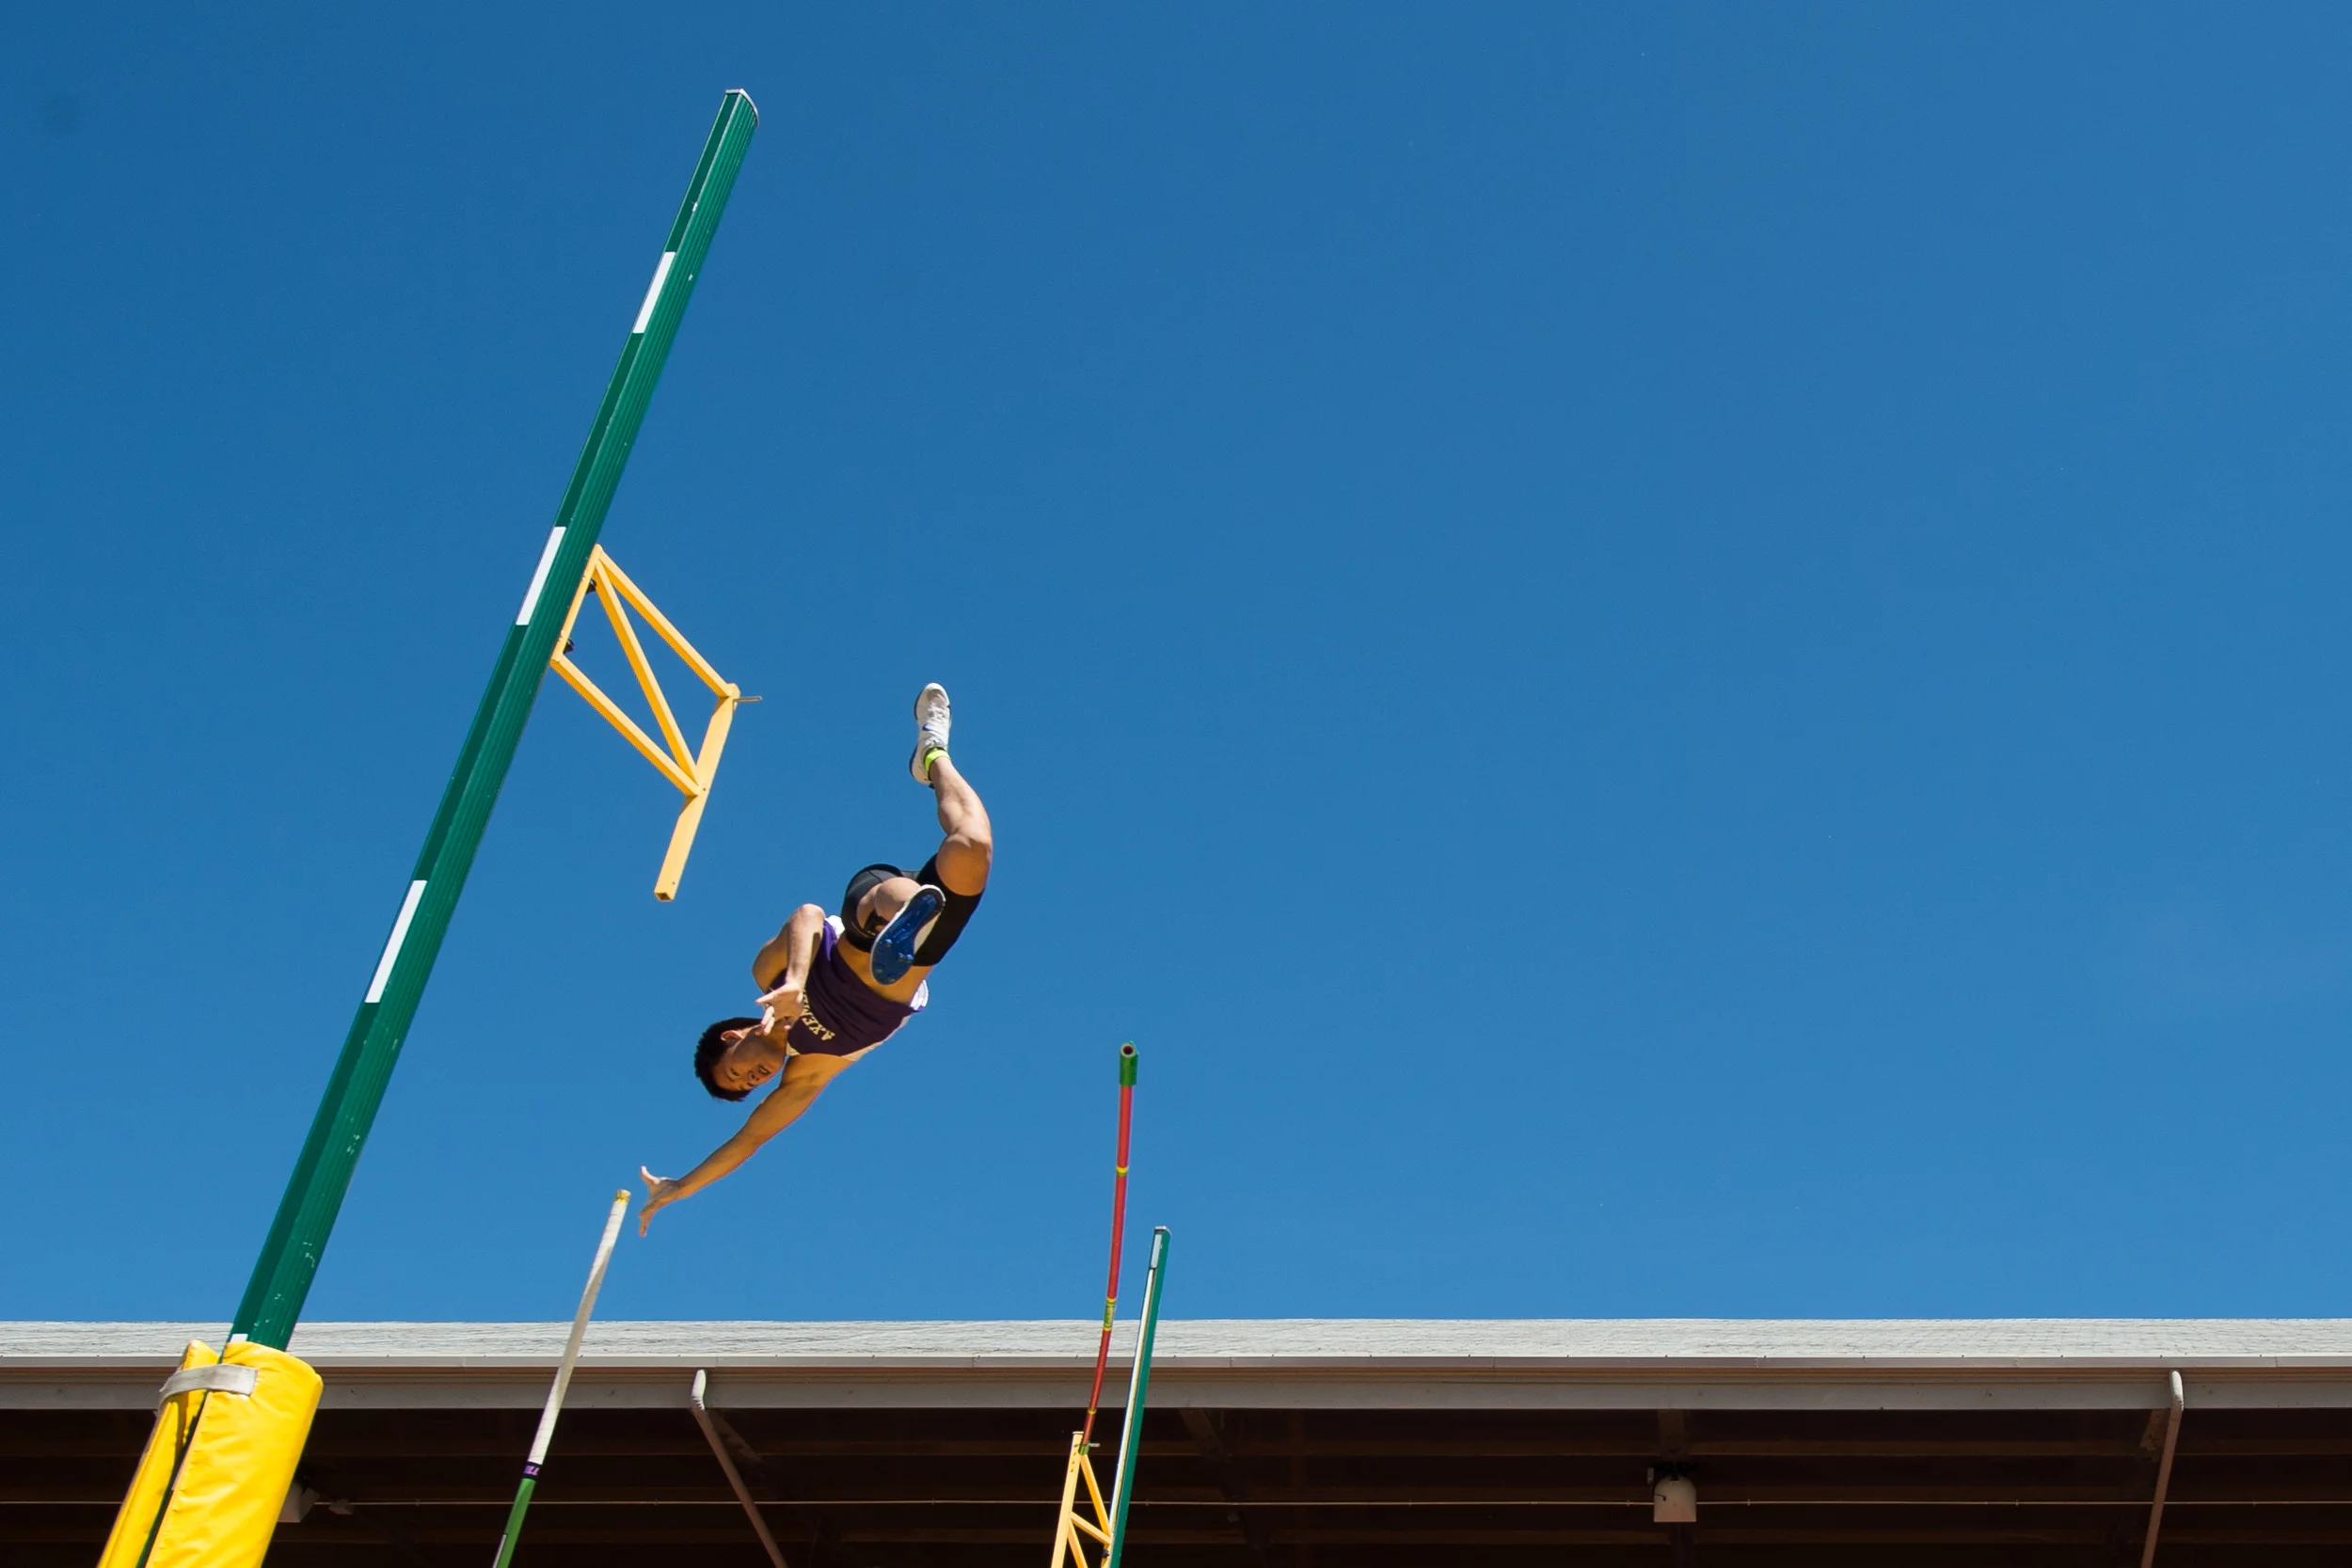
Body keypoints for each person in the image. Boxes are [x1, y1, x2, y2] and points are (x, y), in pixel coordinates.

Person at [638, 683, 992, 1233]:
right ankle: (933, 754)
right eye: (748, 1086)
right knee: (972, 846)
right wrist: (680, 1187)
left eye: (737, 1071)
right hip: (920, 956)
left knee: (885, 907)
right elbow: (748, 1141)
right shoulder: (808, 1072)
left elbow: (806, 914)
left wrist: (796, 983)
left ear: (732, 1037)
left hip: (863, 909)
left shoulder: (765, 975)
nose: (753, 1078)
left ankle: (903, 917)